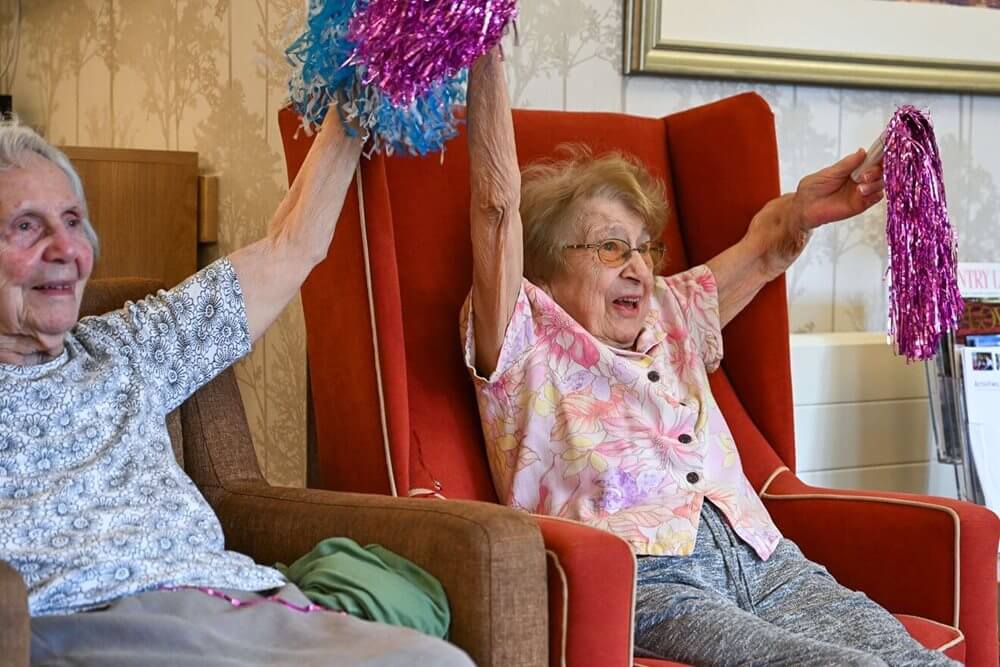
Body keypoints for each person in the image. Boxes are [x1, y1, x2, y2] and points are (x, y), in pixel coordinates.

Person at [461, 48, 958, 667]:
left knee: (918, 662)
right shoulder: (522, 339)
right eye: (611, 248)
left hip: (765, 557)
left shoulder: (668, 313)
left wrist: (805, 211)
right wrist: (483, 44)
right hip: (649, 576)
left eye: (645, 248)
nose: (638, 268)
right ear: (544, 269)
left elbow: (765, 250)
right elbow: (496, 210)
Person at [0, 111, 472, 667]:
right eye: (27, 226)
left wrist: (350, 102)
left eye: (73, 221)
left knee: (435, 662)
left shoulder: (128, 347)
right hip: (86, 629)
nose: (66, 248)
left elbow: (291, 248)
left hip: (236, 604)